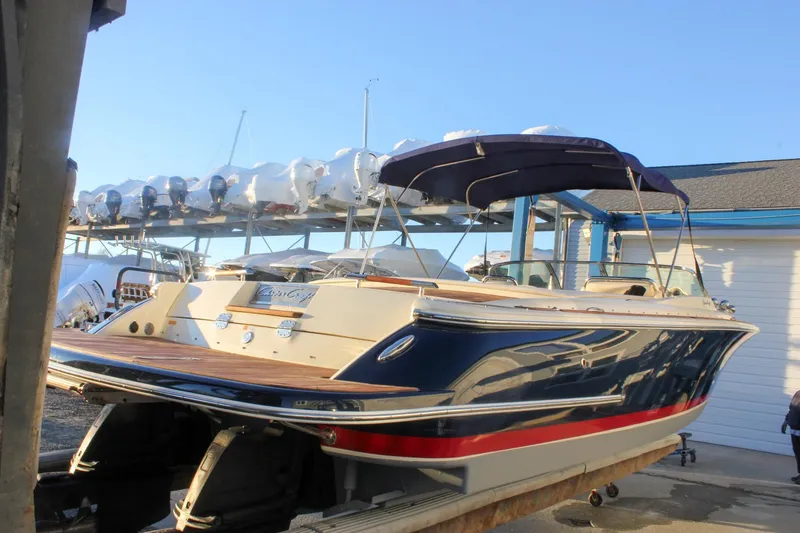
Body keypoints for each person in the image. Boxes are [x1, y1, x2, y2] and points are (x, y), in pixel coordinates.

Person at [781, 389, 800, 484]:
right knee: (798, 454)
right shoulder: (797, 396)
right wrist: (785, 422)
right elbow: (791, 412)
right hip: (794, 432)